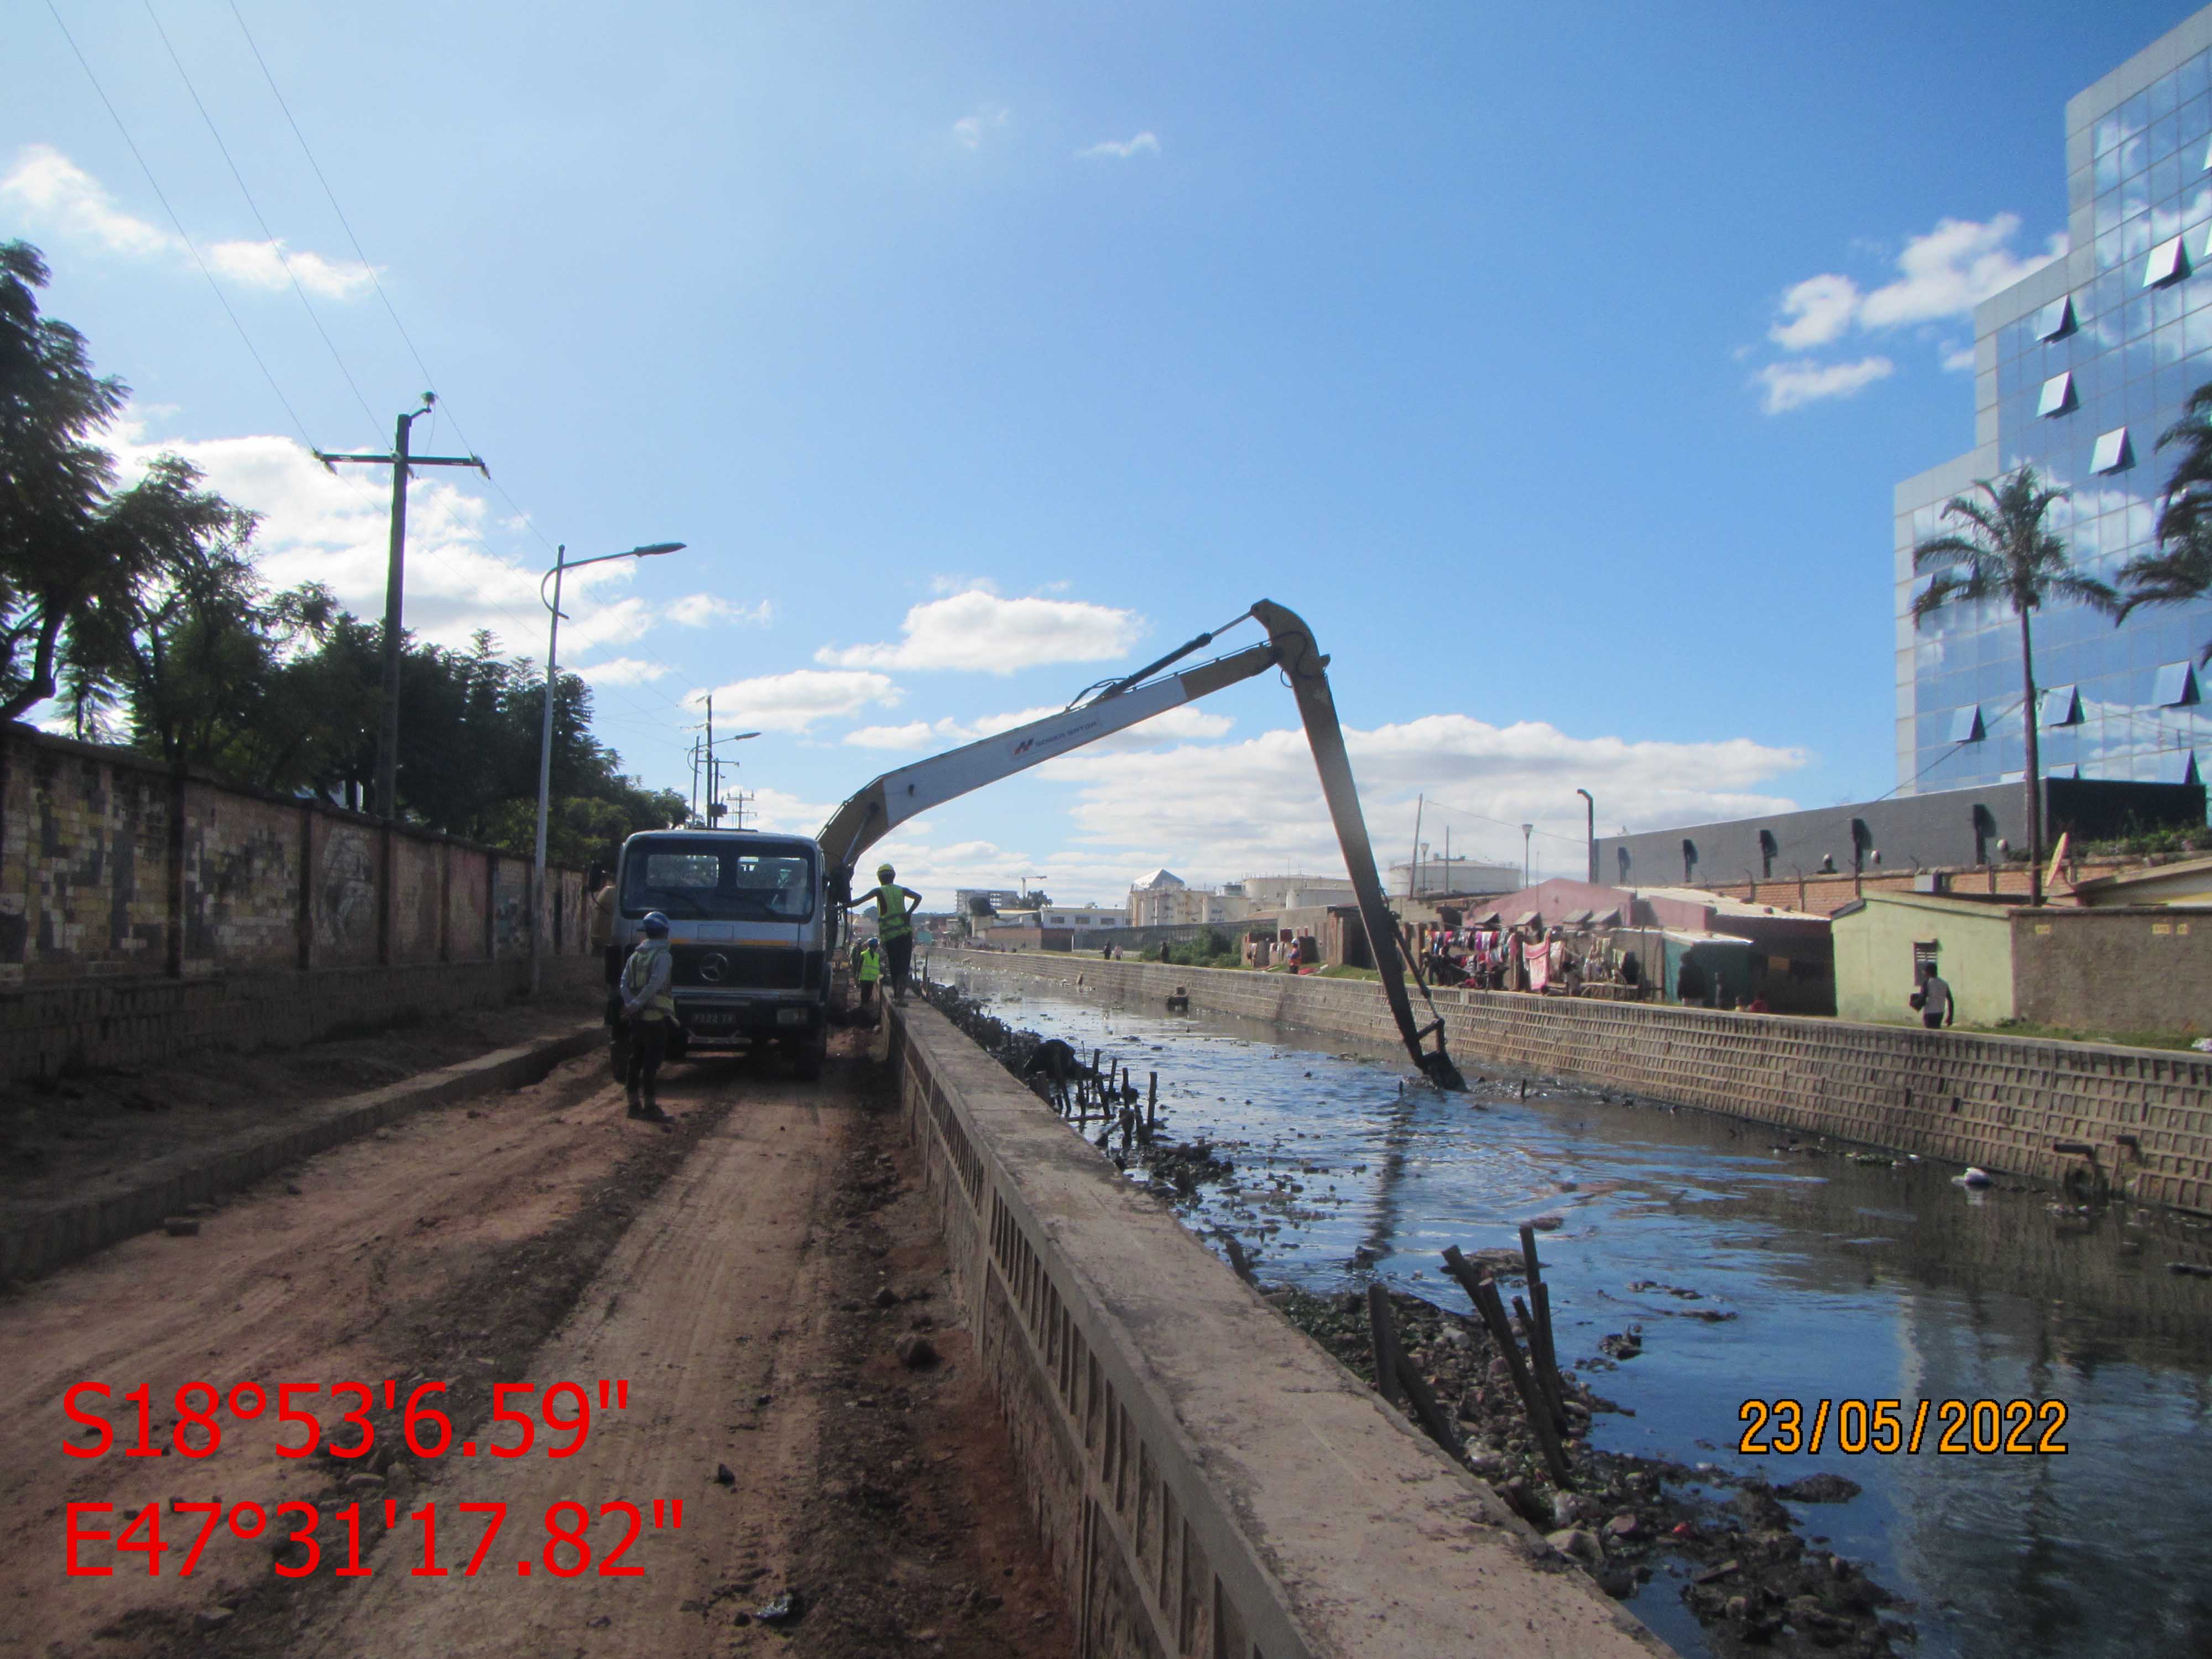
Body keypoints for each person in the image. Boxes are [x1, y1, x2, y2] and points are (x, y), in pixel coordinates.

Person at [618, 910, 677, 1125]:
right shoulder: (663, 956)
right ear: (664, 932)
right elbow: (654, 984)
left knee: (636, 1061)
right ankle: (650, 1107)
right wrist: (636, 1004)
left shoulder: (636, 955)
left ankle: (634, 1106)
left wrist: (632, 1006)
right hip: (655, 1019)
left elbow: (624, 983)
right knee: (652, 1063)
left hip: (637, 1019)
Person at [846, 863, 922, 1004]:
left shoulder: (879, 891)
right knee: (904, 967)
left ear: (880, 878)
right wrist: (909, 913)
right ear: (893, 877)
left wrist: (843, 905)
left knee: (894, 966)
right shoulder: (901, 890)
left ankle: (898, 997)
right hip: (905, 935)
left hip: (890, 937)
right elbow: (918, 897)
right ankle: (900, 997)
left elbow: (858, 901)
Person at [1914, 962, 1954, 1031]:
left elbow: (1923, 998)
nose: (1924, 973)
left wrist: (1914, 1003)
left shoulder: (1927, 983)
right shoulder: (1944, 984)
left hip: (1929, 1013)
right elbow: (1951, 1001)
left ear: (1928, 972)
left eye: (1924, 971)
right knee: (1937, 1032)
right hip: (1940, 1013)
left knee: (1929, 1034)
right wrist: (1950, 1017)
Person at [854, 935, 883, 1011]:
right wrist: (857, 976)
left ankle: (864, 1007)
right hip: (864, 978)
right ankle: (863, 1007)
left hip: (871, 979)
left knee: (869, 993)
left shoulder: (877, 956)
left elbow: (878, 967)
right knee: (864, 993)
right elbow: (859, 966)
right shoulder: (864, 954)